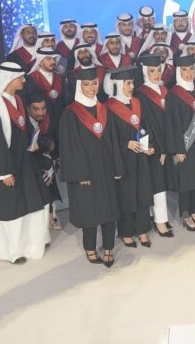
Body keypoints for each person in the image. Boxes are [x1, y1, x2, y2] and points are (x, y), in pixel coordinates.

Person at [0, 62, 51, 264]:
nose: (24, 80)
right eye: (20, 77)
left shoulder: (18, 100)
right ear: (9, 80)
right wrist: (4, 173)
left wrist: (33, 143)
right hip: (7, 166)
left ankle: (35, 244)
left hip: (25, 162)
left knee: (33, 203)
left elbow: (24, 130)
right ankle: (14, 252)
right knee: (13, 209)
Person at [59, 67, 124, 267]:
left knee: (109, 209)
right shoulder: (70, 114)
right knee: (90, 211)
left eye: (94, 83)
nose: (91, 88)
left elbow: (114, 141)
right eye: (86, 84)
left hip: (105, 169)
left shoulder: (104, 110)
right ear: (79, 86)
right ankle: (90, 248)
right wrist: (80, 174)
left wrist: (117, 167)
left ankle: (109, 248)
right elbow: (70, 148)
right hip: (86, 172)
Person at [105, 66, 155, 248]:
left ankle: (142, 230)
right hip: (123, 159)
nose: (132, 86)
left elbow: (144, 128)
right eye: (128, 83)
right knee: (126, 196)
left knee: (142, 193)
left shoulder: (137, 103)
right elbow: (108, 138)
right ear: (118, 85)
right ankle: (126, 232)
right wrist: (126, 143)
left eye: (133, 83)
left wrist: (148, 146)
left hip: (140, 158)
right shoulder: (109, 108)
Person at [165, 55, 195, 232]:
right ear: (178, 72)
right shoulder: (173, 94)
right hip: (184, 146)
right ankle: (185, 215)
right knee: (186, 183)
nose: (188, 73)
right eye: (184, 70)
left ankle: (194, 212)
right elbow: (171, 124)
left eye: (191, 69)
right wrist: (178, 149)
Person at [136, 54, 174, 237]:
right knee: (156, 185)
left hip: (163, 145)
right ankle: (160, 221)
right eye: (152, 71)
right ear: (145, 72)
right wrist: (156, 147)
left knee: (159, 183)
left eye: (159, 70)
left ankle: (156, 216)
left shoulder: (164, 91)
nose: (156, 74)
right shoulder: (141, 94)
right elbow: (143, 125)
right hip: (151, 147)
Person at [25, 92, 63, 230]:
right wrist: (45, 144)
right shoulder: (22, 123)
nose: (40, 112)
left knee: (49, 176)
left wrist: (44, 146)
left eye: (43, 108)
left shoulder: (50, 121)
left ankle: (51, 218)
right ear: (28, 108)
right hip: (28, 163)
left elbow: (54, 144)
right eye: (36, 109)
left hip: (46, 161)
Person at [25, 47, 66, 119]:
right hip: (41, 120)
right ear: (40, 62)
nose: (53, 62)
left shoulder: (61, 78)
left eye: (54, 59)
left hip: (61, 119)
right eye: (48, 59)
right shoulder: (30, 79)